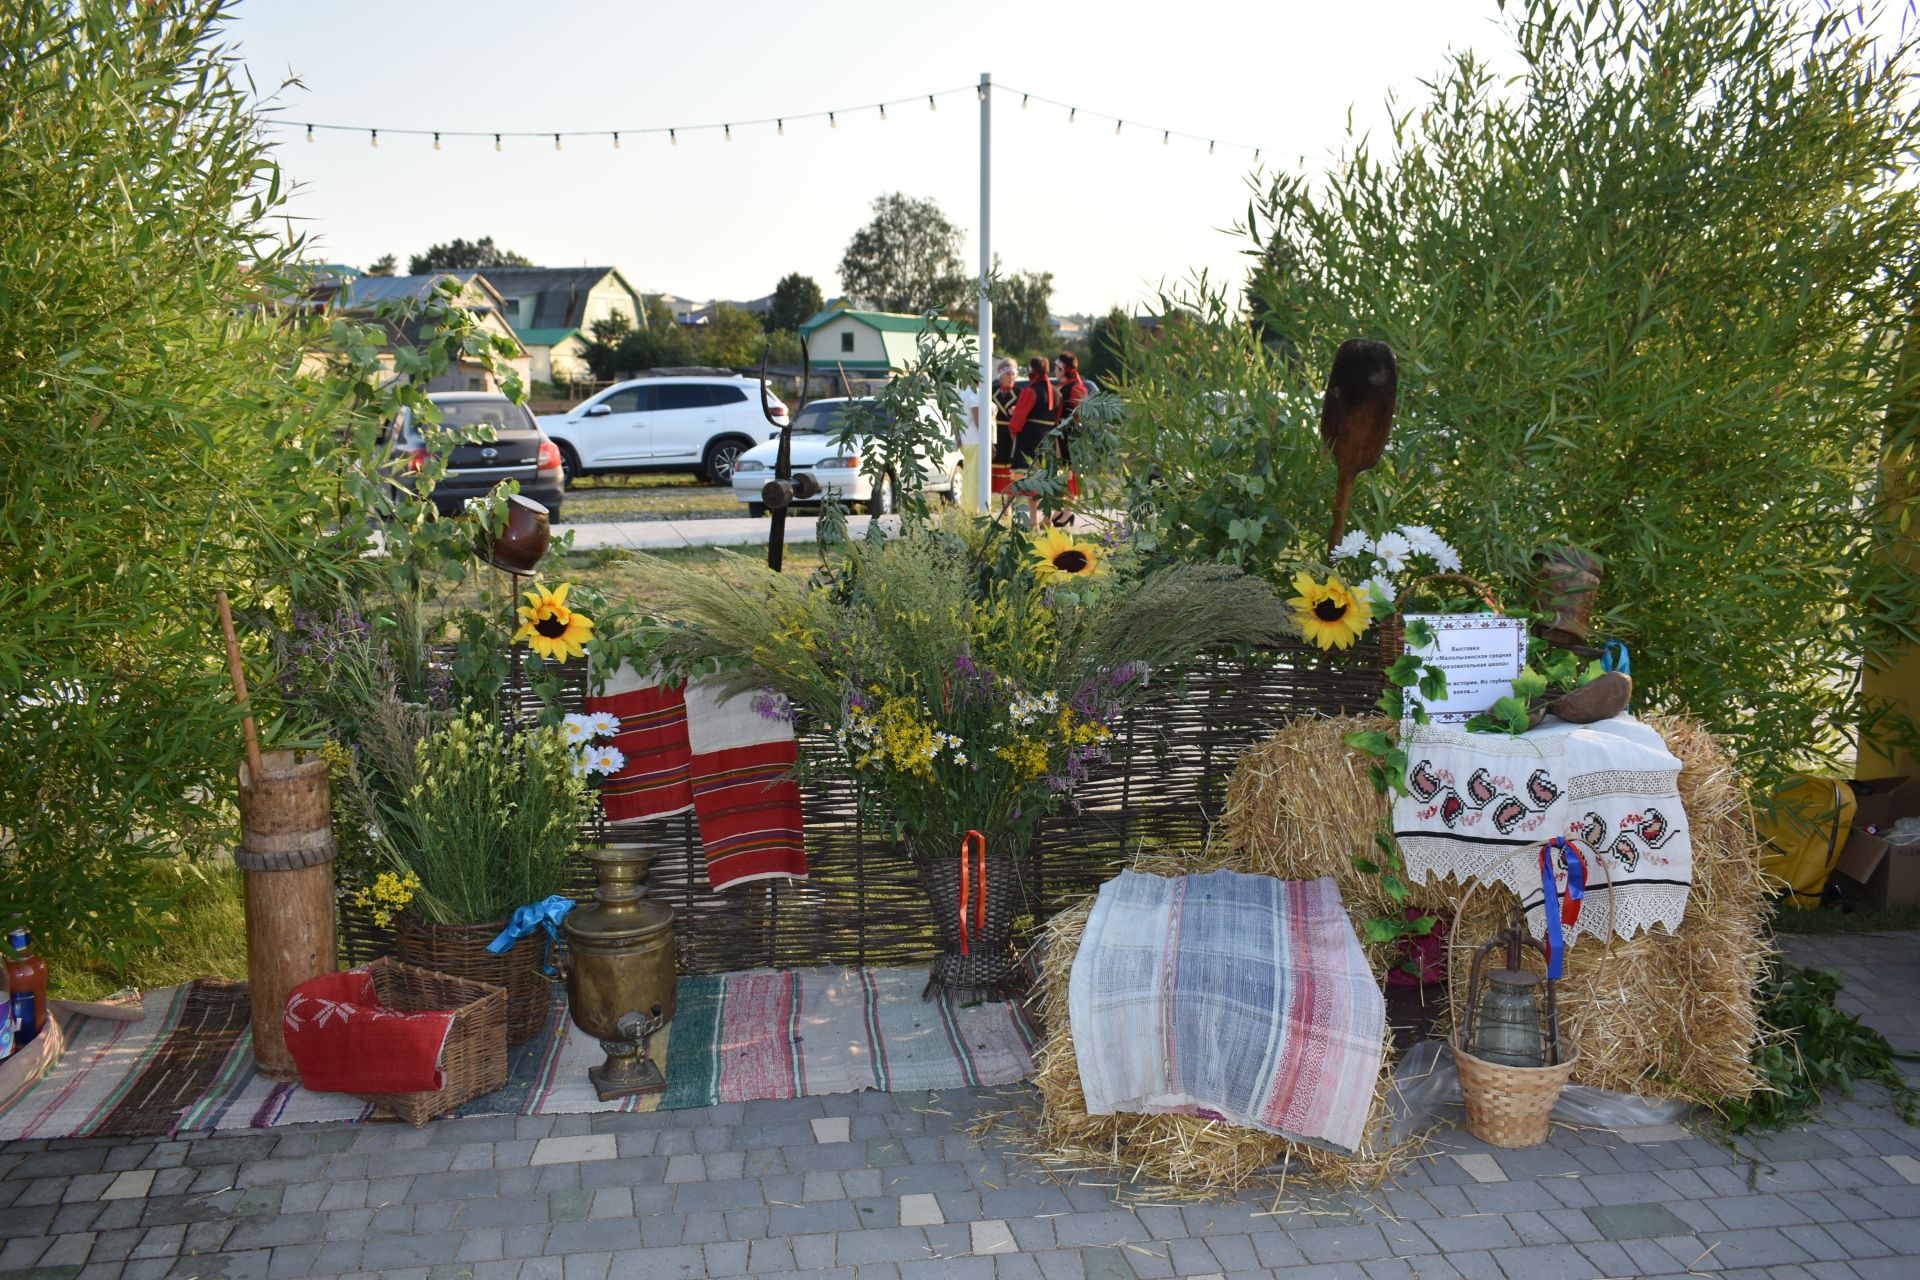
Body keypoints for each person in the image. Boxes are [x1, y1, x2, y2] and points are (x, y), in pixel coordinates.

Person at [1006, 355, 1058, 525]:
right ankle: (1047, 518)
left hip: (1031, 439)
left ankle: (1034, 519)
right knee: (1046, 480)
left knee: (1031, 480)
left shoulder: (1030, 390)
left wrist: (1013, 429)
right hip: (1049, 439)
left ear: (1032, 370)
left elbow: (1019, 418)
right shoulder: (1056, 393)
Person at [1051, 351, 1089, 525]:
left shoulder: (1075, 387)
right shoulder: (1064, 385)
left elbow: (1084, 411)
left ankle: (1068, 512)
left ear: (1064, 369)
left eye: (1058, 367)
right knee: (1062, 474)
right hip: (1062, 436)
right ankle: (1062, 510)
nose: (1055, 370)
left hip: (1072, 437)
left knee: (1071, 473)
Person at [990, 358, 1019, 498]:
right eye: (1008, 374)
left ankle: (1008, 507)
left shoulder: (1020, 392)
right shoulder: (991, 391)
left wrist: (1017, 411)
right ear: (1001, 374)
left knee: (1010, 470)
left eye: (1014, 374)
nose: (1011, 377)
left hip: (1010, 436)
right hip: (995, 433)